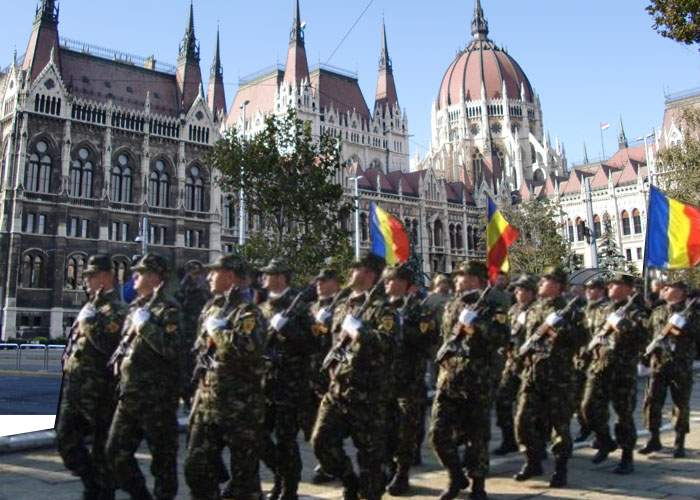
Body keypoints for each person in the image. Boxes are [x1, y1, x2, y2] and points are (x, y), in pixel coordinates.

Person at [311, 254, 395, 500]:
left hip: (367, 393)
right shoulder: (342, 305)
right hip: (337, 390)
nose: (351, 272)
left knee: (370, 457)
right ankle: (349, 479)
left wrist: (362, 333)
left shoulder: (383, 309)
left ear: (369, 274)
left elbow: (389, 344)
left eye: (357, 268)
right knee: (321, 442)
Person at [184, 254, 267, 500]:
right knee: (196, 468)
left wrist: (219, 332)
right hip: (207, 400)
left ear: (229, 275)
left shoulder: (248, 312)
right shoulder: (212, 307)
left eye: (214, 272)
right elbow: (200, 351)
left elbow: (247, 348)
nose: (209, 277)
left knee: (244, 482)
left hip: (239, 406)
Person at [106, 254, 182, 500]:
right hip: (130, 395)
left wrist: (146, 327)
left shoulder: (169, 309)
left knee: (163, 462)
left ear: (156, 278)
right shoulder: (135, 308)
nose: (134, 277)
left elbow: (172, 349)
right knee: (114, 452)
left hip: (157, 397)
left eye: (141, 273)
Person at [430, 261, 508, 500]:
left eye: (463, 276)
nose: (458, 280)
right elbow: (445, 339)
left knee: (477, 436)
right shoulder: (452, 305)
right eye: (457, 276)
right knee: (438, 434)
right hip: (449, 379)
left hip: (477, 380)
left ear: (478, 279)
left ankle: (478, 485)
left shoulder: (493, 306)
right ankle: (456, 475)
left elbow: (501, 337)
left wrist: (475, 325)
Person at [57, 254, 128, 500]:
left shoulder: (116, 310)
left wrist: (91, 322)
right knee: (65, 440)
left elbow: (108, 344)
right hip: (77, 388)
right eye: (85, 276)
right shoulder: (91, 306)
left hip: (101, 391)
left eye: (91, 276)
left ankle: (100, 491)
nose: (86, 281)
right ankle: (94, 483)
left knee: (101, 450)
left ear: (106, 277)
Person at [514, 266, 585, 488]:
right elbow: (523, 337)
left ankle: (560, 469)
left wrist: (558, 329)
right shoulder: (534, 308)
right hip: (532, 375)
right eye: (542, 279)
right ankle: (533, 460)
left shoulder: (570, 310)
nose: (541, 282)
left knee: (559, 427)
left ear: (558, 285)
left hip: (558, 377)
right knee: (523, 422)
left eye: (547, 280)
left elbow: (581, 338)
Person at [581, 273, 648, 474]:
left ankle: (627, 457)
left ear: (628, 289)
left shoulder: (637, 311)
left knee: (623, 415)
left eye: (616, 284)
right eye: (610, 283)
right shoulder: (603, 309)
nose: (610, 286)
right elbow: (593, 334)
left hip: (622, 370)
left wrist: (621, 325)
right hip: (600, 367)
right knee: (588, 407)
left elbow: (643, 335)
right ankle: (605, 440)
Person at [259, 258, 314, 500]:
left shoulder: (300, 306)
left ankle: (288, 488)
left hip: (290, 385)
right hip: (265, 383)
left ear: (281, 277)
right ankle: (280, 474)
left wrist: (288, 329)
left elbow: (312, 344)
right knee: (258, 435)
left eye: (268, 274)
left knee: (285, 440)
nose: (264, 278)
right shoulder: (263, 307)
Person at [383, 264, 438, 495]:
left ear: (406, 285)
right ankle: (388, 468)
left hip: (410, 380)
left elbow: (429, 339)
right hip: (385, 380)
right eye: (386, 281)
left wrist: (405, 328)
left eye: (392, 280)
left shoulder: (420, 311)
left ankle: (402, 474)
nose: (387, 284)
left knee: (406, 430)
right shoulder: (382, 309)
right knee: (386, 428)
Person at [640, 280, 699, 458]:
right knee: (652, 401)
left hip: (680, 364)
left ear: (681, 292)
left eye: (669, 287)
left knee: (680, 404)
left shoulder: (691, 313)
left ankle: (679, 442)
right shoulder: (658, 311)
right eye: (664, 288)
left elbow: (697, 334)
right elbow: (648, 332)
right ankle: (654, 438)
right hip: (658, 364)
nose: (664, 290)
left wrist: (682, 327)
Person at [493, 274, 537, 456]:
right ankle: (508, 439)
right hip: (512, 364)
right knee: (502, 400)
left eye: (521, 290)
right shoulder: (513, 311)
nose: (517, 293)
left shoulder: (539, 311)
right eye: (516, 290)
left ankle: (535, 444)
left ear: (531, 292)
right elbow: (507, 334)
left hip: (531, 365)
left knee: (530, 408)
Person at [307, 268, 343, 485]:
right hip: (312, 372)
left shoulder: (340, 307)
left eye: (325, 281)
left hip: (332, 373)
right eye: (318, 281)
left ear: (336, 283)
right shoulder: (312, 307)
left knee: (330, 425)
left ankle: (331, 464)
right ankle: (327, 461)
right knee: (315, 423)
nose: (319, 284)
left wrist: (326, 324)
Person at [574, 276, 608, 443]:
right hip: (580, 360)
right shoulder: (583, 309)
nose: (588, 291)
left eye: (592, 288)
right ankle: (585, 427)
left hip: (597, 360)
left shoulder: (606, 309)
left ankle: (600, 433)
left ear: (601, 290)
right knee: (577, 398)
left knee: (593, 401)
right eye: (587, 288)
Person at [176, 260, 211, 406]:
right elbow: (178, 302)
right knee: (185, 364)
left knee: (198, 363)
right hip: (185, 331)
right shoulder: (183, 288)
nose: (194, 276)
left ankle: (194, 394)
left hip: (199, 332)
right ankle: (186, 396)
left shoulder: (205, 290)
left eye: (196, 273)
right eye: (191, 272)